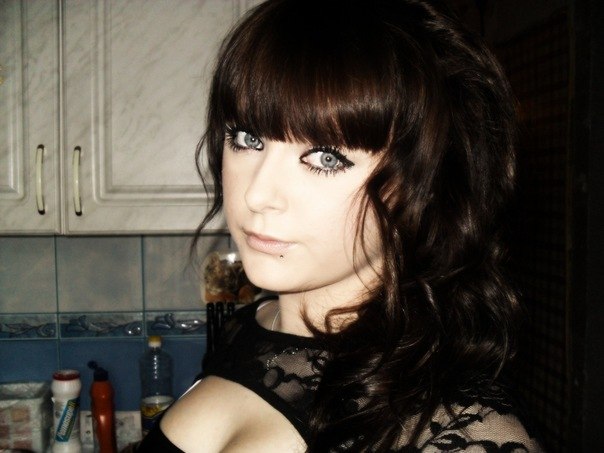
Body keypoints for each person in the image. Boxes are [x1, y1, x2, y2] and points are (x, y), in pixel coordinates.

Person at [136, 0, 544, 451]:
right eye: (247, 138)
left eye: (326, 158)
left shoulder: (461, 434)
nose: (257, 195)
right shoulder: (250, 330)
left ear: (422, 184)